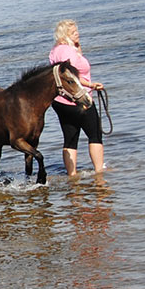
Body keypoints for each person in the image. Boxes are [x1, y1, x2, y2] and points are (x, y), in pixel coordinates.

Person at [48, 19, 106, 176]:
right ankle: (99, 172)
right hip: (79, 98)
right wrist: (91, 85)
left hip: (61, 102)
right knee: (95, 135)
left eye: (77, 30)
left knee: (70, 138)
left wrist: (78, 49)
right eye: (73, 32)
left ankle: (72, 175)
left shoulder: (55, 51)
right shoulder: (67, 51)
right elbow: (70, 76)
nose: (77, 33)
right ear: (65, 35)